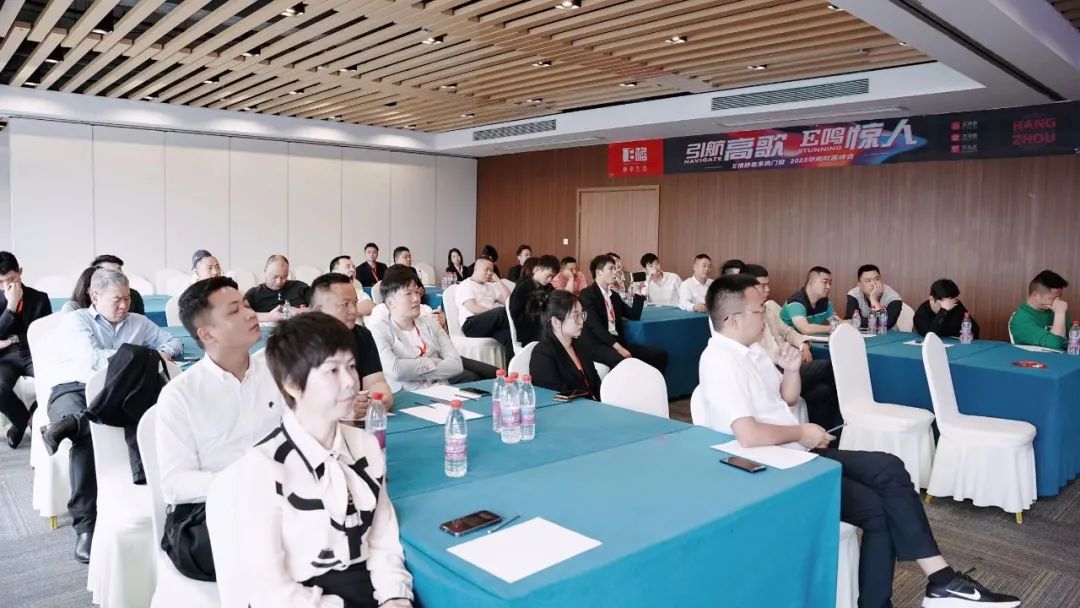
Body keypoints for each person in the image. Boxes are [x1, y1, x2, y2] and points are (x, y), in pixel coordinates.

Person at [698, 274, 1020, 608]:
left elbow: (786, 400)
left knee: (887, 476)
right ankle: (941, 583)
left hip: (792, 455)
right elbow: (748, 435)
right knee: (882, 500)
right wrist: (801, 432)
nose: (765, 317)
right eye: (758, 311)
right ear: (733, 319)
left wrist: (791, 370)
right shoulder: (719, 361)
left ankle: (938, 582)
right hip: (766, 470)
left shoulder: (752, 353)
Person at [232, 313, 413, 608]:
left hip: (365, 588)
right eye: (332, 371)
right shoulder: (263, 467)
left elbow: (383, 541)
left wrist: (395, 597)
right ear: (292, 384)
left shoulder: (365, 445)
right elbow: (269, 588)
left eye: (351, 366)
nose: (350, 382)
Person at [40, 269, 183, 563]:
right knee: (87, 439)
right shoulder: (77, 321)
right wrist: (138, 357)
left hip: (119, 393)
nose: (124, 305)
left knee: (144, 412)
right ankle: (85, 527)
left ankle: (72, 425)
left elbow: (174, 343)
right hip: (73, 388)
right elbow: (91, 362)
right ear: (95, 297)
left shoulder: (138, 322)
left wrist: (149, 355)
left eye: (127, 298)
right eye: (117, 299)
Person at [155, 277, 284, 511]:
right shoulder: (180, 395)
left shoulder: (277, 374)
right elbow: (175, 484)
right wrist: (244, 483)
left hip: (282, 499)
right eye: (234, 311)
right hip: (216, 506)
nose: (250, 314)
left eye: (247, 305)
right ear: (207, 334)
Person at [743, 264, 840, 430]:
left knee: (821, 391)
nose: (768, 289)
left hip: (784, 365)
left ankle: (825, 436)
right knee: (828, 366)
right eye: (763, 285)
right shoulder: (743, 317)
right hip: (770, 372)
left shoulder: (769, 307)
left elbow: (788, 331)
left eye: (768, 284)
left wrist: (802, 345)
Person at [370, 267, 464, 392]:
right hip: (407, 396)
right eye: (408, 294)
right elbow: (396, 370)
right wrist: (430, 362)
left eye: (416, 292)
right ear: (391, 303)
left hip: (442, 391)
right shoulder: (379, 330)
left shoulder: (430, 322)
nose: (416, 298)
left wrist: (410, 373)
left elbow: (456, 365)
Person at [310, 273, 393, 412]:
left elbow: (375, 381)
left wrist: (381, 397)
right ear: (319, 311)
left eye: (355, 302)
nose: (354, 310)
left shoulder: (362, 335)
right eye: (345, 304)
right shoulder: (299, 342)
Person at [579, 254, 668, 373]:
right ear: (599, 272)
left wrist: (638, 293)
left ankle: (654, 385)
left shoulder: (614, 296)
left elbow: (634, 315)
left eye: (615, 268)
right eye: (611, 269)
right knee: (624, 362)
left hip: (617, 342)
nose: (615, 272)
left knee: (659, 355)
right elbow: (595, 327)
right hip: (597, 344)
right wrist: (619, 348)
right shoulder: (587, 295)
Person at [0, 251, 52, 448]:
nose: (7, 286)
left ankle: (31, 413)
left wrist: (12, 339)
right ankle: (26, 421)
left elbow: (43, 334)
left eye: (12, 279)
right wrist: (11, 306)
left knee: (56, 380)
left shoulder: (40, 299)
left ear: (20, 272)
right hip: (4, 358)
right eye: (0, 282)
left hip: (34, 354)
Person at [529, 290, 602, 400]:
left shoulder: (580, 345)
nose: (581, 321)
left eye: (582, 315)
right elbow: (556, 397)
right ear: (556, 322)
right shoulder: (542, 354)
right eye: (576, 316)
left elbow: (596, 384)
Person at [457, 257, 514, 359]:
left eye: (491, 270)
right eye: (486, 269)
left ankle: (511, 368)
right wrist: (495, 313)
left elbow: (508, 301)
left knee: (511, 336)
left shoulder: (490, 286)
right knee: (502, 312)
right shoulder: (465, 285)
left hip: (490, 323)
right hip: (471, 325)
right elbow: (473, 307)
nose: (489, 273)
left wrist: (497, 280)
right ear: (476, 269)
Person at [1010, 270, 1071, 349]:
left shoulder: (1056, 309)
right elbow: (1055, 345)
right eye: (1053, 298)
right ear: (1035, 295)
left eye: (1059, 297)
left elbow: (1074, 338)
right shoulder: (1021, 319)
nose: (1058, 301)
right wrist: (1059, 313)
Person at [243, 255, 311, 323]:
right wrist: (269, 316)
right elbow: (242, 316)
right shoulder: (253, 294)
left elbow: (317, 307)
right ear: (265, 272)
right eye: (275, 277)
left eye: (284, 277)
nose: (279, 282)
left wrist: (300, 311)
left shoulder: (300, 287)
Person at [510, 255, 557, 346]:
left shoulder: (548, 287)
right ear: (538, 269)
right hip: (528, 332)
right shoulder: (522, 287)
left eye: (553, 277)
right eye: (548, 275)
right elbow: (516, 314)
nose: (550, 280)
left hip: (543, 327)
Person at [914, 279, 980, 339]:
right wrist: (943, 310)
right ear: (931, 299)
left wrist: (970, 333)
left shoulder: (955, 304)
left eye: (953, 300)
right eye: (946, 303)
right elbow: (930, 335)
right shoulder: (921, 314)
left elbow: (975, 328)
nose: (950, 306)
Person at [780, 266, 837, 336]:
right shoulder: (796, 302)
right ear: (811, 282)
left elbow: (836, 322)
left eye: (830, 283)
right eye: (825, 282)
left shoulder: (824, 301)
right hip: (789, 340)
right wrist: (832, 328)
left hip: (811, 339)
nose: (828, 287)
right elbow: (805, 329)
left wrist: (847, 323)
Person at [846, 264, 904, 331]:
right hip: (861, 334)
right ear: (860, 285)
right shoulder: (854, 294)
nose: (873, 284)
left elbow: (886, 323)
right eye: (868, 281)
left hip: (888, 334)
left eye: (877, 279)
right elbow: (851, 318)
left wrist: (873, 299)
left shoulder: (893, 297)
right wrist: (853, 322)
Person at [329, 255, 375, 321]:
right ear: (334, 272)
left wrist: (346, 312)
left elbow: (371, 306)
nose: (353, 270)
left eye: (354, 267)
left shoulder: (358, 291)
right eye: (347, 266)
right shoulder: (326, 292)